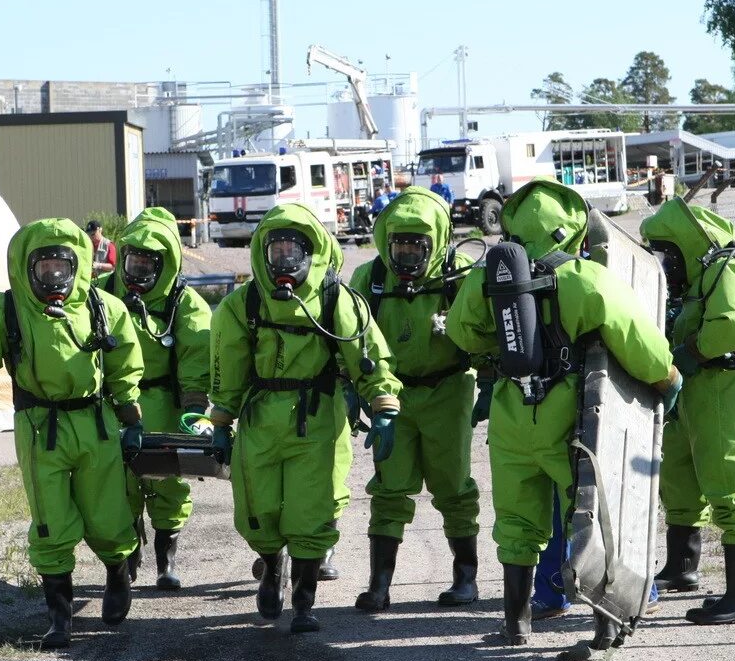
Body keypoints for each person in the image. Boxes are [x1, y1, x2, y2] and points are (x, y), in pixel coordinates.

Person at [445, 178, 680, 646]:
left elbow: (460, 332)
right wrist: (669, 380)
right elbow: (640, 343)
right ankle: (604, 625)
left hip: (513, 411)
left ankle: (516, 623)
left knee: (515, 521)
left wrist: (504, 347)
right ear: (567, 227)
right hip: (571, 414)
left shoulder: (488, 276)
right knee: (592, 514)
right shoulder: (584, 277)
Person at [0, 218, 144, 649]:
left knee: (107, 515)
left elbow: (125, 369)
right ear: (26, 269)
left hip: (95, 423)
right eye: (42, 269)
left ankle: (119, 572)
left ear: (78, 266)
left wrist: (133, 421)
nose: (53, 279)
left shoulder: (105, 308)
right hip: (38, 427)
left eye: (61, 269)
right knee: (50, 522)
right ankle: (59, 620)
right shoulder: (3, 310)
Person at [209, 203, 402, 633]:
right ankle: (271, 565)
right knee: (258, 509)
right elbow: (227, 369)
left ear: (311, 252)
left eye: (291, 251)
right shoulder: (243, 306)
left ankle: (303, 603)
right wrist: (220, 424)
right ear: (262, 253)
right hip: (259, 421)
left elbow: (368, 357)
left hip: (318, 421)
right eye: (275, 252)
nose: (284, 261)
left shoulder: (338, 300)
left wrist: (383, 407)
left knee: (312, 511)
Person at [640, 198, 735, 625]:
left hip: (730, 386)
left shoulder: (726, 269)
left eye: (669, 253)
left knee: (733, 483)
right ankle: (685, 568)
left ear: (688, 247)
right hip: (706, 388)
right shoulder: (702, 278)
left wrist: (696, 349)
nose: (667, 264)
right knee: (683, 477)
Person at [349, 187, 481, 611]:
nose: (407, 258)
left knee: (453, 486)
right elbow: (351, 345)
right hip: (392, 395)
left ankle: (466, 579)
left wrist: (493, 383)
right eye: (399, 247)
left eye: (416, 247)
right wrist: (355, 395)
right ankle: (380, 586)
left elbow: (486, 332)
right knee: (389, 487)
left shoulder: (459, 275)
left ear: (436, 243)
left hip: (449, 390)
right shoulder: (369, 280)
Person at [97, 207, 211, 591]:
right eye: (133, 261)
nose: (138, 271)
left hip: (163, 401)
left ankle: (166, 561)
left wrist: (195, 408)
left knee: (167, 483)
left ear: (166, 263)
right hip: (114, 404)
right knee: (119, 484)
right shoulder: (102, 295)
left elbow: (197, 353)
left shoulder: (184, 301)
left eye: (148, 264)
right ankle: (127, 560)